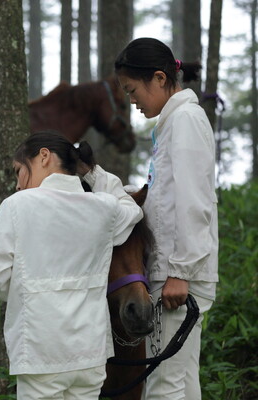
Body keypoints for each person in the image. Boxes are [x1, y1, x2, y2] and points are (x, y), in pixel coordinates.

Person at [0, 131, 143, 399]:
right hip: (90, 354)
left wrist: (26, 292)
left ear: (43, 156)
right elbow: (132, 209)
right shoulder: (103, 207)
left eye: (19, 170)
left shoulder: (16, 206)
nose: (18, 184)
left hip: (41, 349)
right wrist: (95, 175)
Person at [114, 37, 219, 400]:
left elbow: (195, 201)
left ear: (160, 78)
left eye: (132, 89)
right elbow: (163, 197)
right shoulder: (174, 123)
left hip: (176, 276)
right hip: (175, 271)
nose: (132, 100)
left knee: (162, 386)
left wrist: (181, 271)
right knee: (183, 384)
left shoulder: (186, 120)